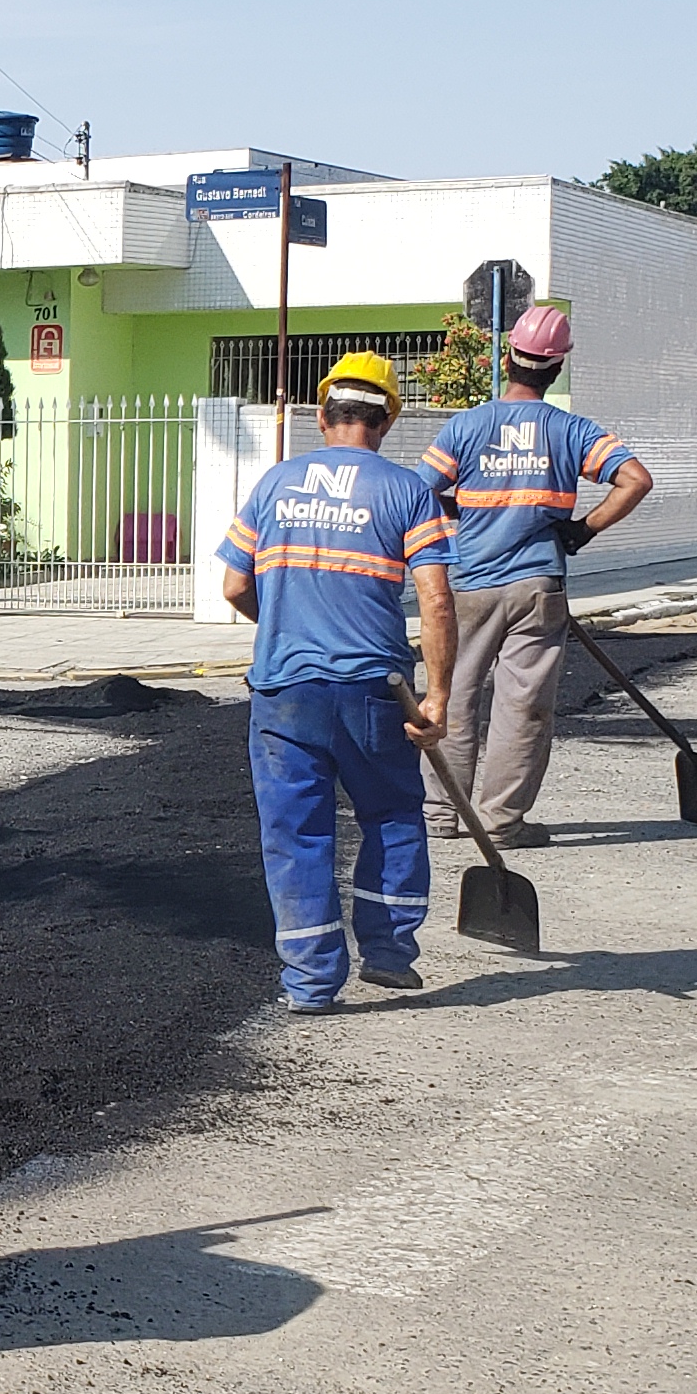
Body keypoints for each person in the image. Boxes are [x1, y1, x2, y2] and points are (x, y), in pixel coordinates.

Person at [219, 352, 457, 1010]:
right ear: (384, 422)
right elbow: (436, 600)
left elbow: (235, 583)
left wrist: (284, 624)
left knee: (295, 833)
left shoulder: (274, 486)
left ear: (323, 416)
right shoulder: (408, 491)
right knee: (391, 814)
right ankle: (386, 952)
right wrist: (437, 696)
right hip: (373, 692)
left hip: (283, 694)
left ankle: (310, 983)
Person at [414, 304, 653, 849]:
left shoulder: (467, 426)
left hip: (468, 583)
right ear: (557, 368)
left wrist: (460, 511)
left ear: (508, 359)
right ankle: (500, 824)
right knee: (522, 707)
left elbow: (418, 490)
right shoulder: (571, 431)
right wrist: (581, 530)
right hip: (537, 586)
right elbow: (636, 480)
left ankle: (440, 816)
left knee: (450, 695)